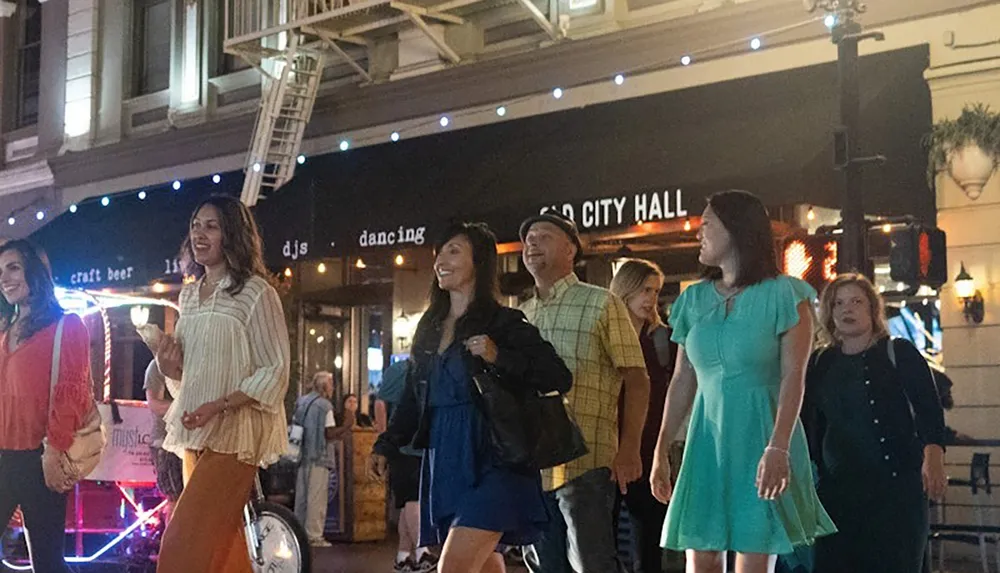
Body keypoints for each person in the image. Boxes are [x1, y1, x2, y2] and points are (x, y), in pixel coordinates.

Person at [369, 222, 572, 573]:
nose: (440, 261)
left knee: (454, 567)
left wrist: (499, 357)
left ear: (478, 261)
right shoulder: (429, 327)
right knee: (486, 565)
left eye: (453, 251)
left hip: (494, 456)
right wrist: (386, 444)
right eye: (439, 252)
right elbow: (414, 397)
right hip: (446, 456)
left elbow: (557, 376)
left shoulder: (503, 322)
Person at [650, 190, 836, 573]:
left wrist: (779, 446)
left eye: (707, 225)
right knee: (700, 554)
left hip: (764, 433)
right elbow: (683, 379)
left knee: (755, 553)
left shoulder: (786, 295)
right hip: (707, 437)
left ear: (736, 230)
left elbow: (793, 377)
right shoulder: (693, 299)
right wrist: (661, 447)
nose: (699, 233)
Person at [155, 195, 290, 573]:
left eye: (211, 226)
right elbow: (187, 378)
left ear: (233, 233)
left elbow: (275, 370)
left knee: (181, 546)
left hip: (235, 437)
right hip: (195, 435)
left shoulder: (256, 293)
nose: (199, 233)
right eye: (196, 225)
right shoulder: (189, 296)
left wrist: (221, 403)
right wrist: (170, 366)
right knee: (221, 550)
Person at [518, 211, 651, 573]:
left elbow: (637, 379)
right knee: (544, 566)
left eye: (543, 236)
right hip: (534, 466)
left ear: (571, 250)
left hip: (588, 459)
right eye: (528, 239)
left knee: (592, 564)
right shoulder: (521, 313)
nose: (532, 244)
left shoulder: (601, 303)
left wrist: (629, 447)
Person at [802, 273, 947, 573]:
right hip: (837, 493)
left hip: (896, 491)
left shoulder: (899, 352)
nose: (847, 309)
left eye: (856, 301)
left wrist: (933, 457)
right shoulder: (819, 362)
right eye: (839, 303)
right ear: (829, 312)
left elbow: (928, 409)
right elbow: (809, 422)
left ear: (872, 308)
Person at [0, 240, 94, 573]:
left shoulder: (67, 326)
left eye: (13, 267)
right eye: (0, 271)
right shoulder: (6, 331)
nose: (5, 278)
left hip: (41, 457)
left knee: (47, 561)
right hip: (3, 456)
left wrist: (55, 449)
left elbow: (71, 394)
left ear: (35, 272)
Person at [609, 259, 679, 573]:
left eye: (655, 291)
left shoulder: (662, 339)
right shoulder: (605, 334)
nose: (650, 298)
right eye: (644, 289)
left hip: (650, 450)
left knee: (648, 542)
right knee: (602, 543)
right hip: (607, 449)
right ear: (625, 289)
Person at [376, 359, 438, 572]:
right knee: (414, 499)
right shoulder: (404, 370)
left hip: (410, 446)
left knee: (407, 502)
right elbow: (381, 403)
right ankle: (423, 551)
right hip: (406, 447)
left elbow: (381, 403)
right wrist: (384, 439)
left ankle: (403, 556)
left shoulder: (403, 369)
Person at [293, 371, 338, 548]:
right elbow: (329, 432)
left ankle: (299, 533)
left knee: (302, 498)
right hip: (319, 455)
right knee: (316, 498)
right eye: (331, 385)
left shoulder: (301, 402)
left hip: (302, 455)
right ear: (325, 387)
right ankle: (314, 535)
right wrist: (346, 426)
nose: (333, 388)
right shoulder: (325, 406)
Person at [145, 359, 184, 513]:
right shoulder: (157, 366)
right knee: (176, 499)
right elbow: (155, 404)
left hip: (193, 441)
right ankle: (173, 537)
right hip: (165, 443)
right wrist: (185, 407)